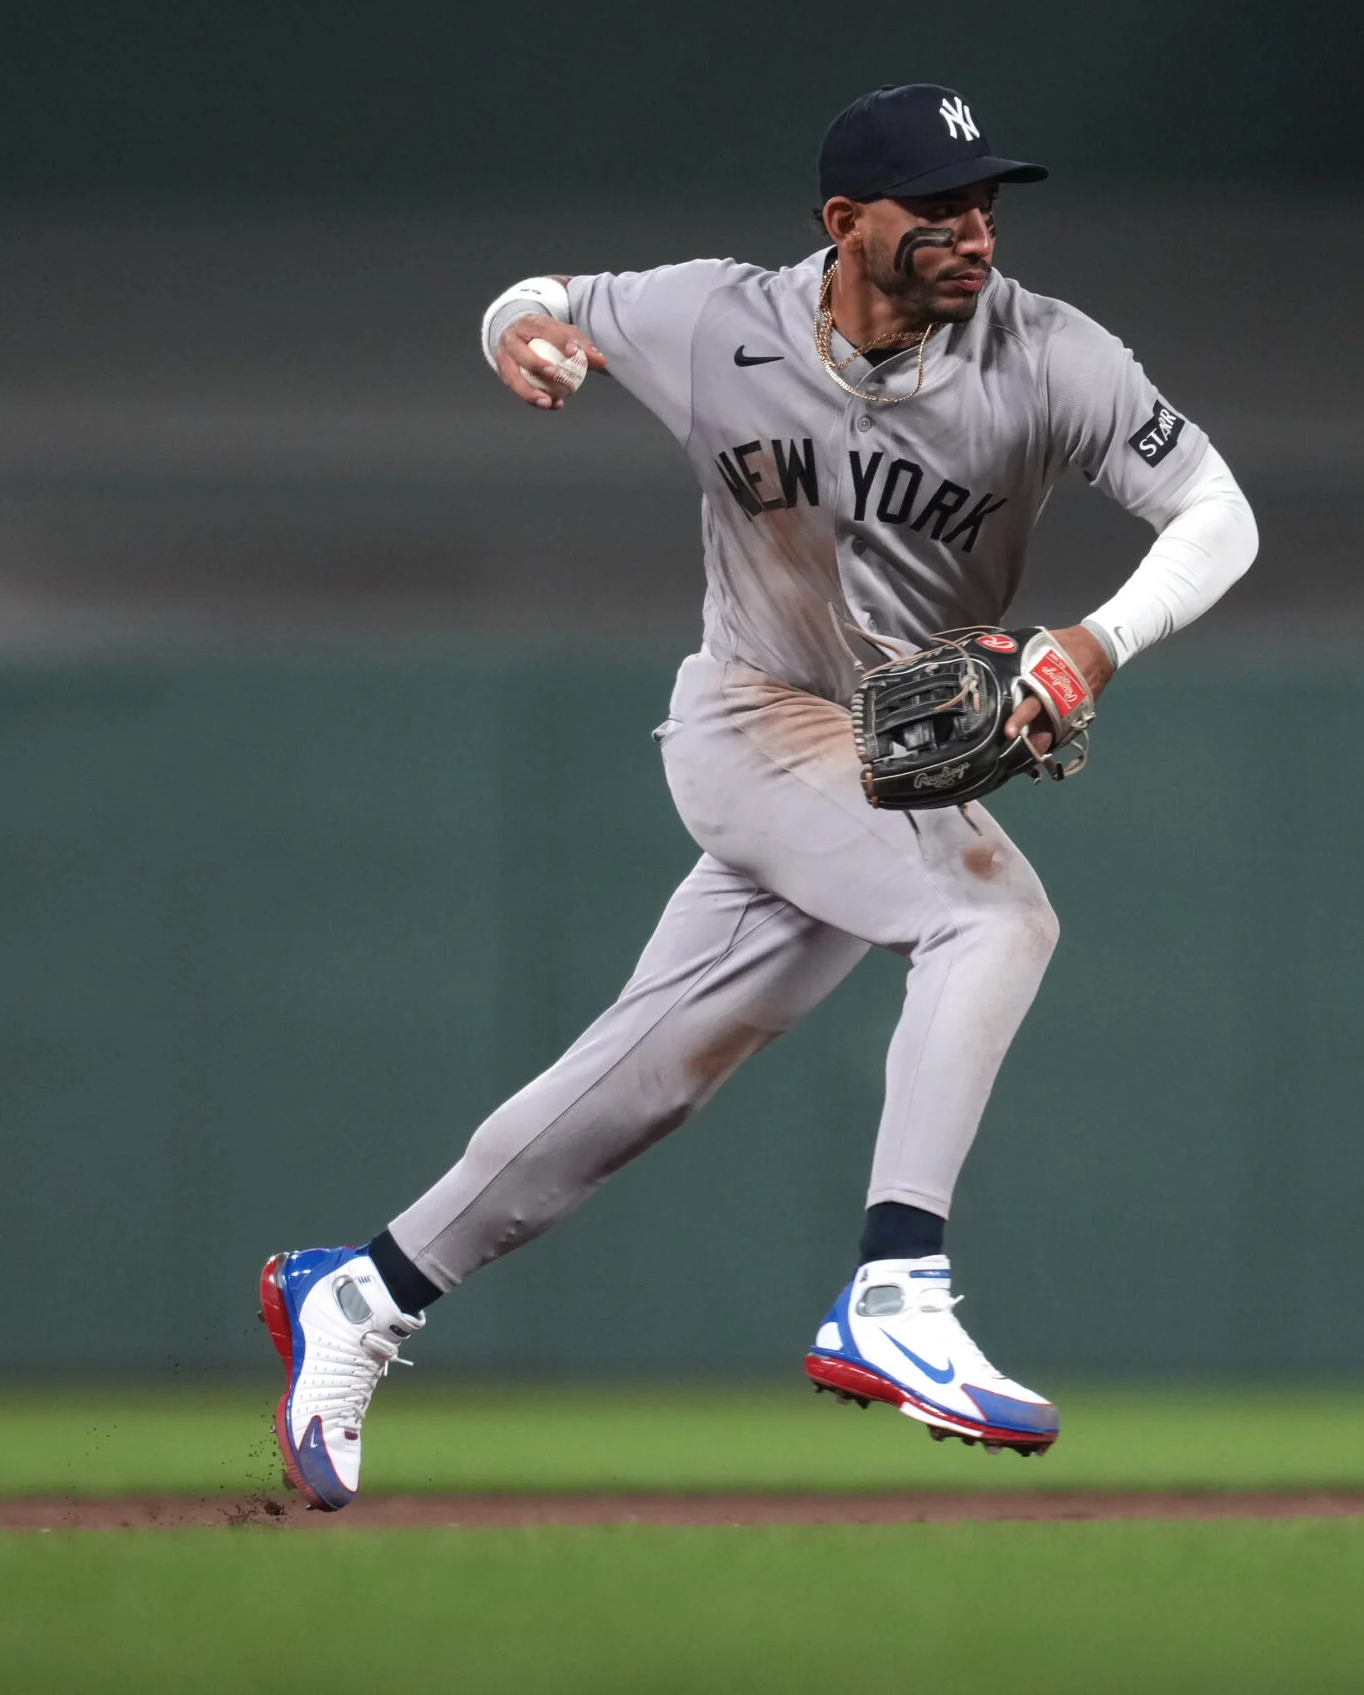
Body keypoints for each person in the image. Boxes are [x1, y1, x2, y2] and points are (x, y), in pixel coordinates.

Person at [259, 83, 1258, 1510]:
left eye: (986, 205)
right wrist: (514, 329)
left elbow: (1220, 512)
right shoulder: (715, 318)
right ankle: (897, 1288)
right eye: (939, 209)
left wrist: (1093, 644)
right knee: (995, 920)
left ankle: (365, 1287)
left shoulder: (1049, 353)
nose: (977, 234)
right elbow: (547, 300)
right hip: (750, 719)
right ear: (846, 222)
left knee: (646, 1074)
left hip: (879, 755)